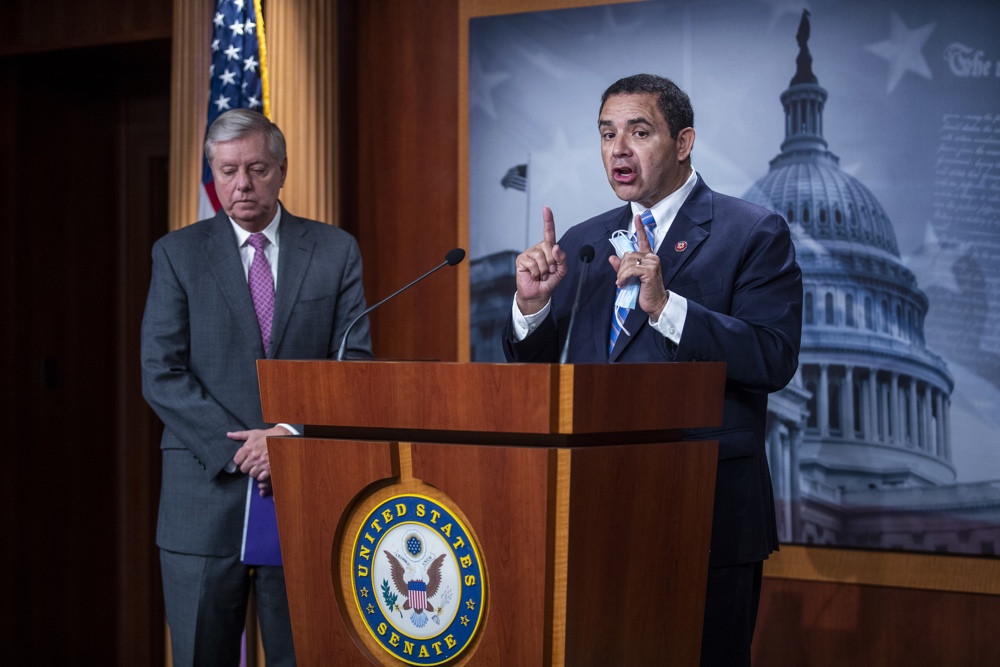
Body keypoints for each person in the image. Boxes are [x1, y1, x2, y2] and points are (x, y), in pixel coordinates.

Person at [503, 73, 802, 666]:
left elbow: (773, 356)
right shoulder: (585, 241)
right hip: (592, 510)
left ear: (684, 141)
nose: (619, 149)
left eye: (639, 132)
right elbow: (539, 370)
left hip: (704, 512)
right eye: (607, 134)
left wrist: (667, 308)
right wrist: (531, 307)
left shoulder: (752, 232)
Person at [141, 108, 372, 666]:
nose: (241, 185)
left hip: (300, 497)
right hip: (202, 502)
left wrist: (287, 436)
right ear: (212, 174)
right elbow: (161, 372)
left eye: (256, 169)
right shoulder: (176, 253)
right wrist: (243, 451)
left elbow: (353, 366)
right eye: (226, 171)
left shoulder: (335, 250)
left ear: (283, 170)